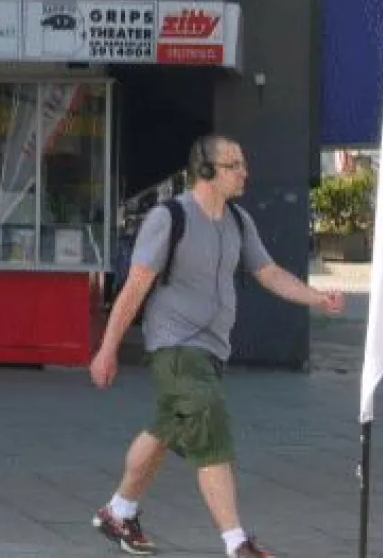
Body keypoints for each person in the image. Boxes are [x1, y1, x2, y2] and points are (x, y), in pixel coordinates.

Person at [89, 135, 345, 558]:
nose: (244, 172)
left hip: (212, 350)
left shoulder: (238, 221)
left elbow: (270, 273)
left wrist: (319, 298)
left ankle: (119, 511)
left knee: (164, 431)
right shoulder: (168, 218)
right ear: (205, 171)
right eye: (233, 165)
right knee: (210, 427)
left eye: (242, 163)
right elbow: (134, 287)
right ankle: (236, 542)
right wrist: (107, 348)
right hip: (174, 347)